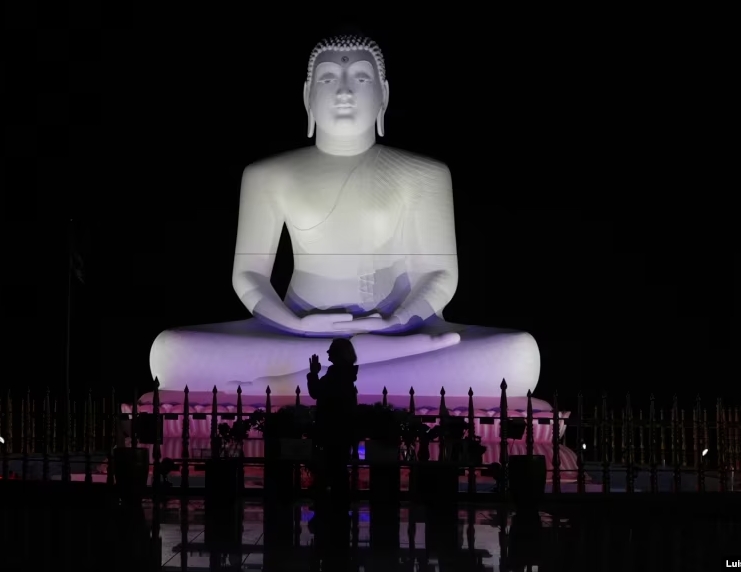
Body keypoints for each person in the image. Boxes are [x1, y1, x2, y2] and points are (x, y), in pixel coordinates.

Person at [148, 34, 541, 404]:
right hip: (294, 334)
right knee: (171, 351)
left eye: (361, 78)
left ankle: (298, 383)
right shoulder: (267, 176)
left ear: (383, 95)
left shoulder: (423, 174)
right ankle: (355, 372)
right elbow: (248, 276)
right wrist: (297, 325)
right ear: (307, 96)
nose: (344, 91)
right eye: (330, 78)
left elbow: (440, 275)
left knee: (519, 354)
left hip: (402, 330)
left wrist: (398, 321)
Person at [306, 338, 359, 502]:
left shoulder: (337, 376)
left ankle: (331, 512)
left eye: (331, 349)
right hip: (340, 432)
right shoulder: (345, 375)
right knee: (338, 472)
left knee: (330, 472)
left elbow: (317, 392)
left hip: (331, 432)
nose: (328, 352)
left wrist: (313, 374)